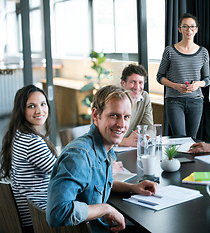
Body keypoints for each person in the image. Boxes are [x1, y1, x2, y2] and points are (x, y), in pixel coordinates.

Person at [46, 85, 157, 232]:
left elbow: (96, 184)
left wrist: (132, 187)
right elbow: (56, 213)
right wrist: (106, 209)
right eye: (114, 115)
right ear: (95, 114)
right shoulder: (79, 155)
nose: (122, 124)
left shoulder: (105, 148)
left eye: (126, 117)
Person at [0, 85, 57, 232]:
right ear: (22, 110)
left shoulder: (19, 134)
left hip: (28, 215)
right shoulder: (31, 141)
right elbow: (63, 172)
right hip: (38, 219)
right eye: (32, 106)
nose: (39, 110)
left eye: (43, 104)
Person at [156, 12, 210, 138]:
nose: (189, 29)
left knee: (191, 140)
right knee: (179, 138)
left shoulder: (203, 52)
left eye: (192, 26)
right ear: (179, 29)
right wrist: (175, 86)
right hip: (174, 101)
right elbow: (159, 76)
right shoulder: (170, 51)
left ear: (196, 29)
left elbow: (207, 79)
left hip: (196, 101)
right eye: (185, 26)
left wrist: (197, 84)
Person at [119, 63, 155, 147]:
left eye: (140, 82)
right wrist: (124, 141)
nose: (137, 87)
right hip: (113, 149)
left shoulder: (144, 97)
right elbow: (102, 136)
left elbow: (150, 128)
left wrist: (144, 136)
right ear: (123, 83)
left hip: (133, 148)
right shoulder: (115, 100)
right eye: (133, 82)